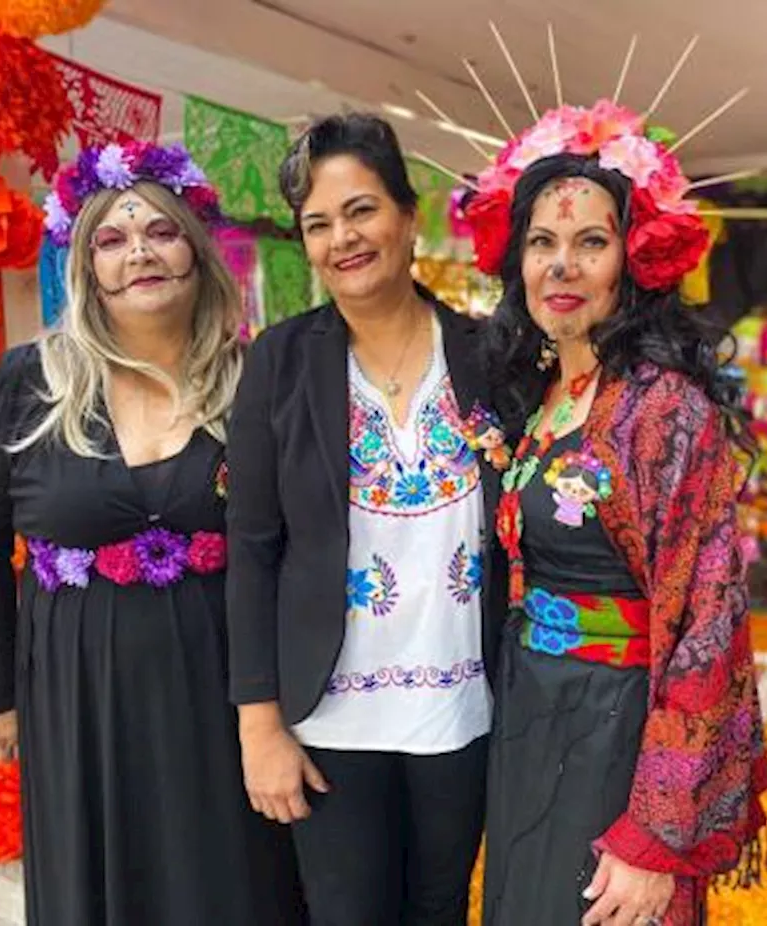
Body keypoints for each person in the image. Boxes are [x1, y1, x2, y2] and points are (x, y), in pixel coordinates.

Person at [0, 142, 305, 926]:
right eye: (112, 239)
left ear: (198, 250)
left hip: (222, 686)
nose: (139, 250)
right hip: (76, 690)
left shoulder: (257, 381)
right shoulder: (31, 382)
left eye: (161, 232)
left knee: (228, 877)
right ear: (88, 267)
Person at [465, 100, 767, 926]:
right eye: (542, 243)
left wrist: (656, 835)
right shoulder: (540, 402)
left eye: (590, 243)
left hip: (621, 735)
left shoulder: (665, 412)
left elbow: (708, 624)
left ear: (631, 262)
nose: (562, 267)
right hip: (533, 716)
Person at [226, 113, 506, 926]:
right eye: (318, 224)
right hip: (330, 717)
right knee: (346, 913)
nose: (342, 238)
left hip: (464, 711)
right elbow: (252, 548)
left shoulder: (491, 354)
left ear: (408, 217)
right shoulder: (279, 361)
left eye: (361, 211)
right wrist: (259, 726)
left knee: (441, 907)